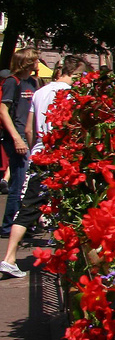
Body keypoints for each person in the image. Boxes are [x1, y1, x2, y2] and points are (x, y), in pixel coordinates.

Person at [1, 55, 86, 277]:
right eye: (82, 75)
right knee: (70, 206)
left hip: (40, 155)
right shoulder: (72, 94)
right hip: (63, 156)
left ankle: (9, 257)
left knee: (28, 207)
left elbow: (29, 128)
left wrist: (36, 149)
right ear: (75, 73)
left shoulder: (40, 91)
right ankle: (69, 259)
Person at [0, 53, 39, 236]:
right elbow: (3, 110)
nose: (38, 61)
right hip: (16, 137)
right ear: (27, 62)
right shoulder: (11, 82)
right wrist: (16, 137)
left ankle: (23, 224)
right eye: (35, 58)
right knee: (19, 181)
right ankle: (9, 226)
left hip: (29, 136)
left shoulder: (33, 82)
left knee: (27, 181)